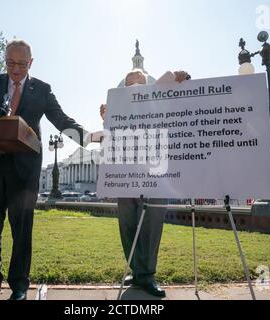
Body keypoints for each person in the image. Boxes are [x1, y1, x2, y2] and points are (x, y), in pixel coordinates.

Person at [0, 39, 90, 300]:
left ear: (31, 63)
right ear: (5, 60)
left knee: (21, 229)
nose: (15, 69)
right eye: (10, 63)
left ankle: (20, 286)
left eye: (21, 64)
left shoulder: (42, 90)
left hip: (25, 169)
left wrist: (89, 138)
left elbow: (61, 120)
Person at [100, 68, 190, 297]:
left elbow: (182, 105)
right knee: (127, 223)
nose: (135, 88)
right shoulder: (120, 107)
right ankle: (137, 271)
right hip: (125, 172)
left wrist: (180, 80)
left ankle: (147, 275)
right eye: (130, 85)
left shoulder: (160, 103)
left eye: (140, 83)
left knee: (151, 224)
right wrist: (107, 117)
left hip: (156, 172)